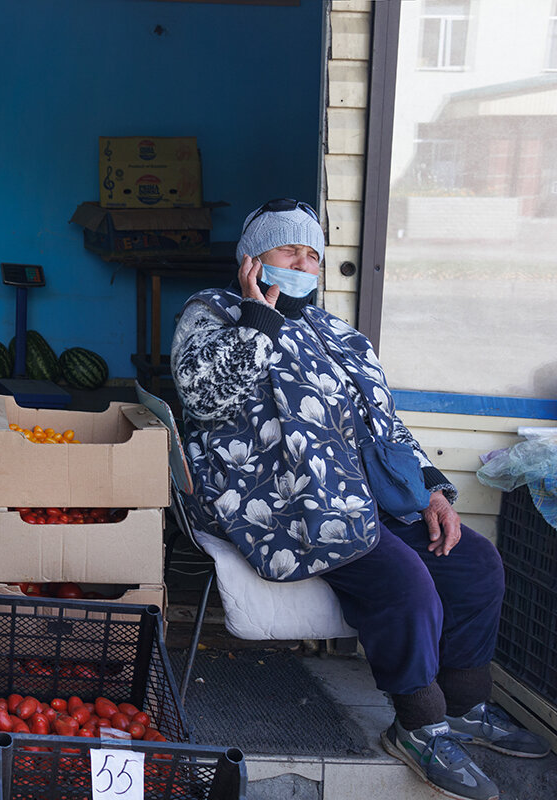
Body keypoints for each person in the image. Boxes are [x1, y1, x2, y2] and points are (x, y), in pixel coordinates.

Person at [169, 198, 550, 800]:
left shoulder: (338, 334)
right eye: (287, 249)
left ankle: (467, 704)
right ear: (252, 260)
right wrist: (258, 320)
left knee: (474, 565)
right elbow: (204, 397)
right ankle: (420, 723)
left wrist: (429, 489)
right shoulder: (211, 313)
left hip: (357, 489)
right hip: (277, 495)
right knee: (403, 583)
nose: (303, 263)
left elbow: (386, 423)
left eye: (312, 255)